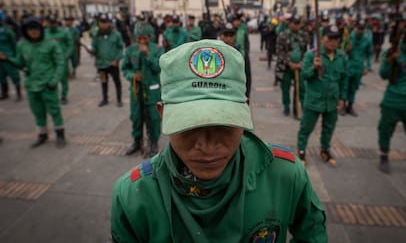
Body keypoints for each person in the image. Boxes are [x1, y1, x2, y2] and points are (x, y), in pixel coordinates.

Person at [111, 39, 327, 242]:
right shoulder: (134, 197)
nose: (206, 145)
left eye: (224, 124)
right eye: (189, 125)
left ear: (246, 109)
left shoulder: (284, 176)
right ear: (162, 114)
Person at [0, 18, 66, 148]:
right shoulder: (22, 45)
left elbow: (60, 64)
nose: (33, 32)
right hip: (32, 85)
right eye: (30, 29)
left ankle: (60, 134)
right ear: (25, 31)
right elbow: (20, 62)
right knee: (37, 111)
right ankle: (42, 134)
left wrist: (53, 81)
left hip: (48, 84)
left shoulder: (51, 44)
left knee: (55, 110)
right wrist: (7, 59)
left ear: (41, 29)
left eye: (36, 28)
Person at [297, 26, 348, 166]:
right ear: (322, 39)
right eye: (330, 38)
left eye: (336, 39)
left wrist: (343, 98)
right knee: (306, 127)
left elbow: (344, 79)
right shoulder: (311, 55)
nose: (333, 42)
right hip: (314, 99)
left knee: (329, 127)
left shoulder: (341, 57)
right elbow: (304, 76)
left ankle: (325, 150)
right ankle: (301, 151)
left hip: (332, 100)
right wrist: (313, 67)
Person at [377, 25, 406, 173]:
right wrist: (389, 61)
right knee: (385, 130)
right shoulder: (395, 52)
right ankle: (384, 156)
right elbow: (383, 74)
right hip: (393, 101)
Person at [122, 24, 162, 157]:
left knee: (154, 118)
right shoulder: (130, 50)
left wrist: (148, 55)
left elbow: (158, 67)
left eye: (144, 38)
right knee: (136, 117)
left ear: (150, 37)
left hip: (152, 90)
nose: (141, 41)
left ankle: (154, 142)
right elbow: (125, 68)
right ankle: (137, 141)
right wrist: (132, 76)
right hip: (136, 90)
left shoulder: (157, 49)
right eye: (139, 38)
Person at [87, 13, 124, 107]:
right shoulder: (96, 35)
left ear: (110, 23)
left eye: (106, 22)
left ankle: (119, 99)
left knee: (117, 81)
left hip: (113, 64)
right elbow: (94, 48)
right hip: (101, 64)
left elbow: (120, 48)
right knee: (103, 81)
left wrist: (116, 60)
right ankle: (105, 99)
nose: (104, 24)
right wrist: (91, 51)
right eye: (102, 22)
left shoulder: (116, 35)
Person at [276, 15, 309, 118]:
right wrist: (289, 63)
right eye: (294, 24)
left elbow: (306, 51)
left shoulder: (304, 35)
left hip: (299, 67)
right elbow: (279, 51)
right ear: (289, 24)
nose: (296, 26)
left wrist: (301, 63)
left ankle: (299, 108)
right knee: (285, 87)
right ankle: (286, 106)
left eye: (298, 24)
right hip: (286, 67)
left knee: (301, 88)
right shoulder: (283, 35)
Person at [341, 21, 372, 116]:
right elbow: (341, 52)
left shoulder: (366, 40)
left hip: (359, 67)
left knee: (354, 87)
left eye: (362, 29)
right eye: (359, 29)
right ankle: (343, 106)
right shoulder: (348, 38)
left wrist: (367, 67)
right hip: (348, 66)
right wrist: (346, 49)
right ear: (355, 28)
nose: (360, 31)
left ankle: (350, 106)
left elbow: (369, 54)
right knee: (345, 86)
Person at [45, 15, 73, 105]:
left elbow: (70, 45)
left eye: (54, 23)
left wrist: (67, 55)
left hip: (62, 60)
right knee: (51, 78)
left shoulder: (63, 33)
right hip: (49, 60)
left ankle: (64, 96)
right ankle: (54, 96)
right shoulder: (44, 33)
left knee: (63, 79)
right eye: (50, 23)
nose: (52, 25)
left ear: (57, 23)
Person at [0, 11, 22, 101]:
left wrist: (14, 57)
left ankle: (19, 94)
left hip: (8, 57)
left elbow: (14, 45)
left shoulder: (8, 31)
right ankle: (5, 93)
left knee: (14, 75)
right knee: (1, 76)